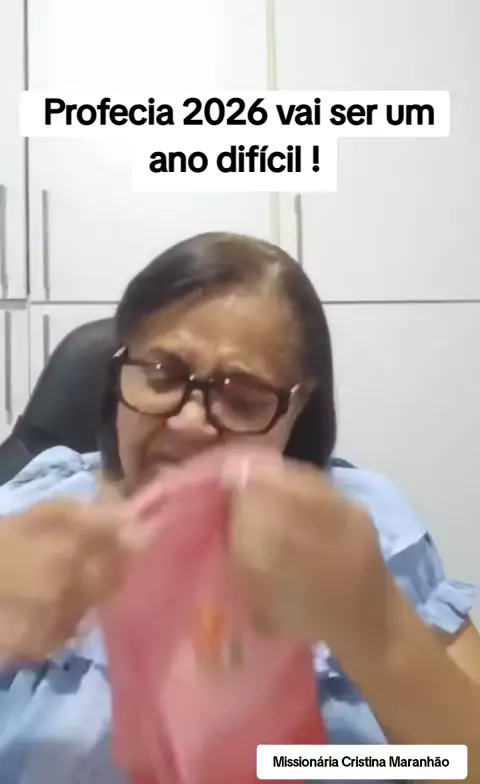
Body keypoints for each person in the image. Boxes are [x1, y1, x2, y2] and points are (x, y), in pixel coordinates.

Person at [0, 231, 479, 784]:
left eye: (243, 397)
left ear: (298, 406)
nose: (189, 423)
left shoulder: (360, 530)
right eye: (162, 375)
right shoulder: (29, 518)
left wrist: (377, 629)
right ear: (118, 372)